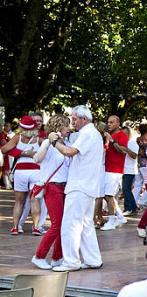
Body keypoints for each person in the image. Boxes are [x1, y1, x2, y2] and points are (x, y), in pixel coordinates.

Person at [50, 105, 103, 272]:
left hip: (80, 185)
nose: (72, 121)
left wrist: (54, 142)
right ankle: (93, 259)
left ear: (84, 119)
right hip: (87, 185)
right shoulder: (91, 133)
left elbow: (69, 151)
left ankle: (71, 262)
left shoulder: (88, 133)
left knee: (71, 224)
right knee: (85, 224)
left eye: (74, 119)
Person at [31, 115, 72, 269]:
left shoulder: (68, 143)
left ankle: (57, 257)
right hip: (53, 187)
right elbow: (37, 159)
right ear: (58, 127)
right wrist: (48, 142)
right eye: (66, 126)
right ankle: (39, 256)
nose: (69, 128)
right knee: (57, 224)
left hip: (65, 187)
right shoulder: (48, 143)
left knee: (64, 224)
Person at [0, 115, 42, 235]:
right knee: (35, 200)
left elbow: (3, 149)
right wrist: (29, 154)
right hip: (36, 171)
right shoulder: (39, 139)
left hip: (20, 172)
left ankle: (15, 227)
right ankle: (36, 227)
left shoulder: (17, 138)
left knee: (19, 201)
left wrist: (21, 153)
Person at [99, 115, 129, 231]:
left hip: (115, 170)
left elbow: (123, 150)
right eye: (108, 122)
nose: (109, 124)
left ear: (118, 123)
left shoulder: (121, 135)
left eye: (112, 122)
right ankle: (120, 217)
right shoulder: (111, 135)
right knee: (107, 195)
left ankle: (112, 220)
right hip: (108, 169)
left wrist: (112, 141)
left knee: (108, 195)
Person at [121, 126, 139, 216]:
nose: (123, 135)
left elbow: (135, 156)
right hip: (123, 170)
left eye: (125, 133)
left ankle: (128, 208)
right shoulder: (123, 142)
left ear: (129, 134)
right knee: (126, 189)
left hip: (130, 170)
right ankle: (134, 207)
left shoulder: (132, 143)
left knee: (126, 189)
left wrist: (126, 149)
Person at [132, 123, 147, 210]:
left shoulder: (137, 139)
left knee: (137, 185)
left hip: (138, 164)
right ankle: (143, 202)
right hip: (146, 164)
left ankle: (134, 203)